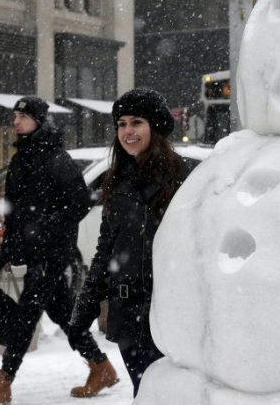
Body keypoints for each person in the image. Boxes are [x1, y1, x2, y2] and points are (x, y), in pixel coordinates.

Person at [0, 96, 117, 405]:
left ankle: (3, 383)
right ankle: (100, 366)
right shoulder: (23, 156)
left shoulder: (55, 157)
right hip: (34, 251)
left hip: (51, 253)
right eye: (15, 115)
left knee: (25, 316)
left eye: (23, 116)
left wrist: (47, 228)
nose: (16, 121)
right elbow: (15, 210)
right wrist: (8, 248)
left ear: (39, 120)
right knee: (63, 312)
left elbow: (79, 202)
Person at [70, 87, 195, 396]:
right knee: (144, 392)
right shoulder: (116, 180)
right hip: (128, 314)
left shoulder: (183, 177)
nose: (128, 131)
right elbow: (105, 249)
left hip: (170, 313)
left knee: (171, 396)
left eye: (136, 122)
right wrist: (84, 308)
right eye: (122, 123)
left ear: (154, 126)